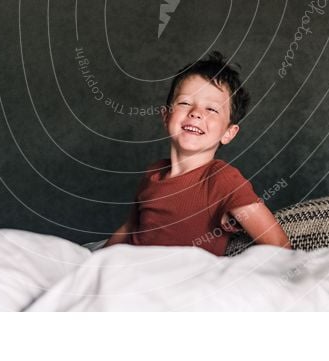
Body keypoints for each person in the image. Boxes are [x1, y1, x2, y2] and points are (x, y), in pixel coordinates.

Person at [104, 51, 291, 255]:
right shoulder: (153, 173)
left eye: (212, 109)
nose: (196, 113)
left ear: (228, 133)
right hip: (131, 271)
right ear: (166, 116)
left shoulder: (221, 180)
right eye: (185, 103)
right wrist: (94, 263)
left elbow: (278, 243)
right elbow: (129, 229)